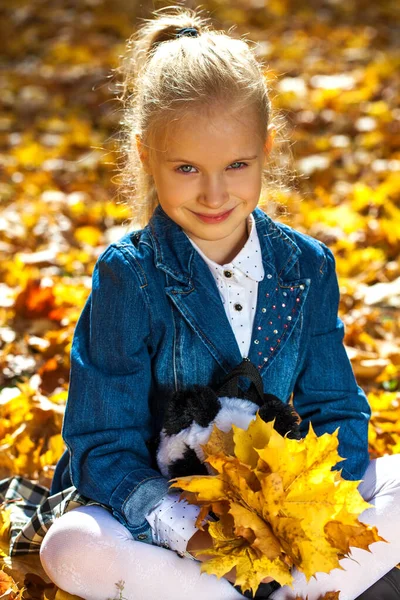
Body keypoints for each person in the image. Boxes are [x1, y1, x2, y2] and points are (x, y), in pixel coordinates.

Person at [35, 6, 400, 600]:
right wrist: (190, 530)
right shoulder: (130, 276)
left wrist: (297, 514)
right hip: (163, 524)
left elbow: (338, 412)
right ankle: (255, 592)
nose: (213, 192)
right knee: (70, 547)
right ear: (146, 154)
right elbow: (102, 441)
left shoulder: (307, 269)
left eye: (236, 165)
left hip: (278, 519)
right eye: (186, 168)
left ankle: (282, 586)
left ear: (265, 148)